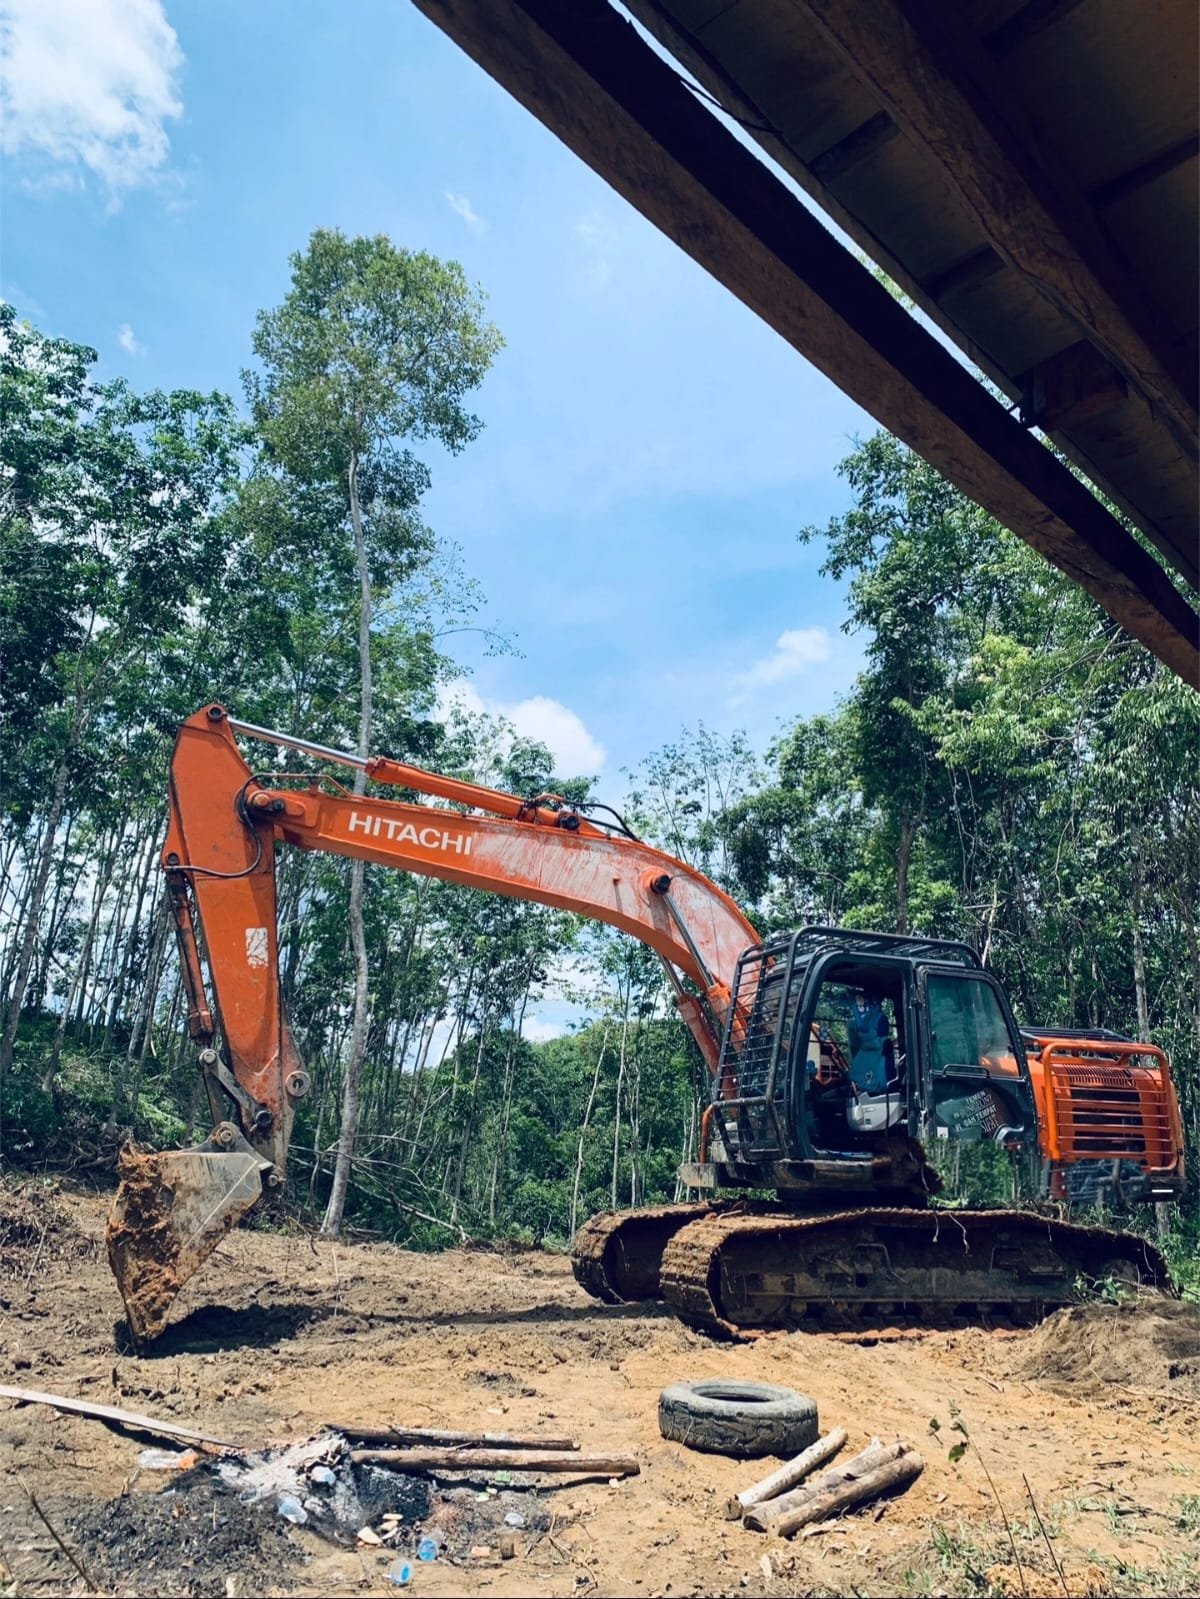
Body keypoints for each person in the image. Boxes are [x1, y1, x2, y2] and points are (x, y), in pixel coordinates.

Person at [847, 989, 891, 1095]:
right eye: (869, 1003)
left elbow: (862, 1027)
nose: (870, 1006)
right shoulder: (867, 1018)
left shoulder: (881, 1019)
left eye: (873, 1003)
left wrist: (853, 1006)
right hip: (859, 1083)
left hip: (874, 1086)